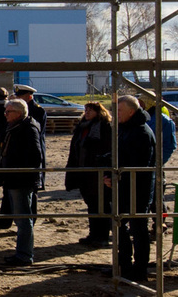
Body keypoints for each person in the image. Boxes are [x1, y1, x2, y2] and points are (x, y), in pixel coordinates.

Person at [106, 95, 158, 283]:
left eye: (119, 111)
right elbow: (119, 155)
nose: (115, 114)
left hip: (138, 189)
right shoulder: (126, 129)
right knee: (121, 226)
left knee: (138, 229)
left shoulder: (142, 132)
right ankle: (124, 264)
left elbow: (138, 165)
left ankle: (140, 268)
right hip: (124, 186)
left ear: (131, 111)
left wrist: (117, 177)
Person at [0, 97, 44, 265]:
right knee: (21, 218)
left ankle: (24, 254)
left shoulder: (28, 128)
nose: (5, 114)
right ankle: (22, 252)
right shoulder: (16, 126)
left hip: (21, 180)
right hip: (14, 178)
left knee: (23, 219)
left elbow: (36, 155)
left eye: (9, 112)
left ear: (19, 113)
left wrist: (20, 171)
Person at [66, 102, 115, 246]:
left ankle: (102, 236)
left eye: (91, 110)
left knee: (102, 205)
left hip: (98, 173)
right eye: (86, 109)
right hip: (84, 172)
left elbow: (106, 149)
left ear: (99, 112)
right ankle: (93, 234)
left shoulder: (104, 127)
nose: (87, 112)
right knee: (91, 204)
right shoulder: (82, 127)